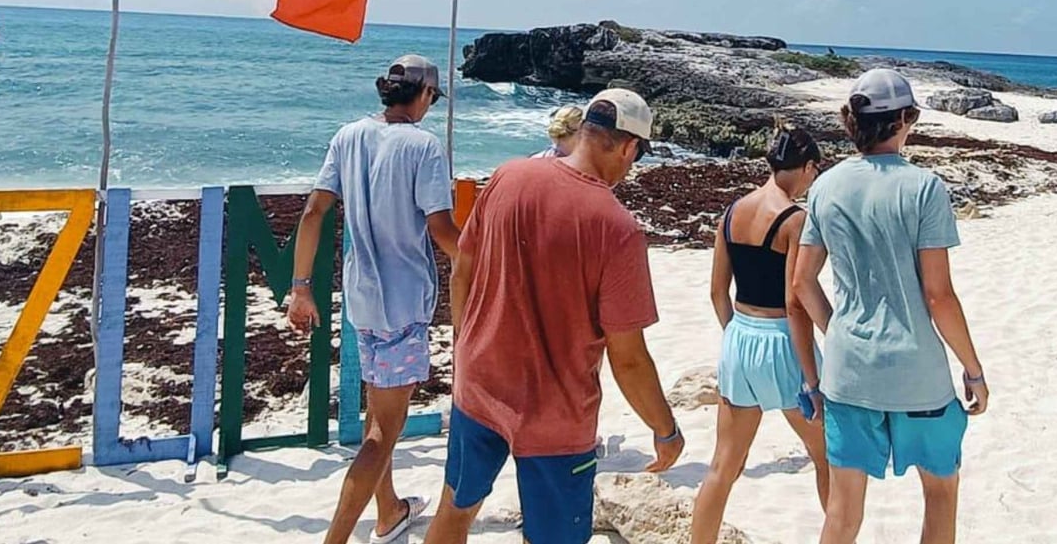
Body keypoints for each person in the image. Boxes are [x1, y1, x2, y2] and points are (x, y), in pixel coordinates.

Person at [424, 88, 684, 544]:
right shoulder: (618, 229)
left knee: (456, 507)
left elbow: (462, 269)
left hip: (480, 386)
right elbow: (628, 357)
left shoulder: (508, 177)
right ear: (628, 147)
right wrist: (665, 428)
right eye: (637, 156)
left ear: (584, 130)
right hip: (558, 416)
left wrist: (466, 344)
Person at [793, 69, 987, 544]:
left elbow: (802, 282)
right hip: (916, 371)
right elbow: (938, 295)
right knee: (941, 495)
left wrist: (838, 330)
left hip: (848, 370)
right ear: (906, 119)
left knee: (842, 515)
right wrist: (973, 368)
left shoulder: (826, 187)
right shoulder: (925, 188)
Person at [287, 55, 461, 544]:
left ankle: (390, 512)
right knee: (383, 432)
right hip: (403, 304)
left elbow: (314, 211)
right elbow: (440, 228)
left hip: (360, 298)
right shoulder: (424, 146)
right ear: (424, 95)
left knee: (376, 411)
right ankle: (337, 538)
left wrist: (301, 288)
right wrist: (485, 257)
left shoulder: (349, 135)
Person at [690, 125, 831, 543]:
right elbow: (795, 302)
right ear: (806, 167)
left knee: (724, 466)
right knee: (827, 457)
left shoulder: (732, 211)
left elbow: (718, 291)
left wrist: (735, 338)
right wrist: (812, 377)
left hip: (739, 337)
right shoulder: (795, 218)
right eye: (813, 171)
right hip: (783, 341)